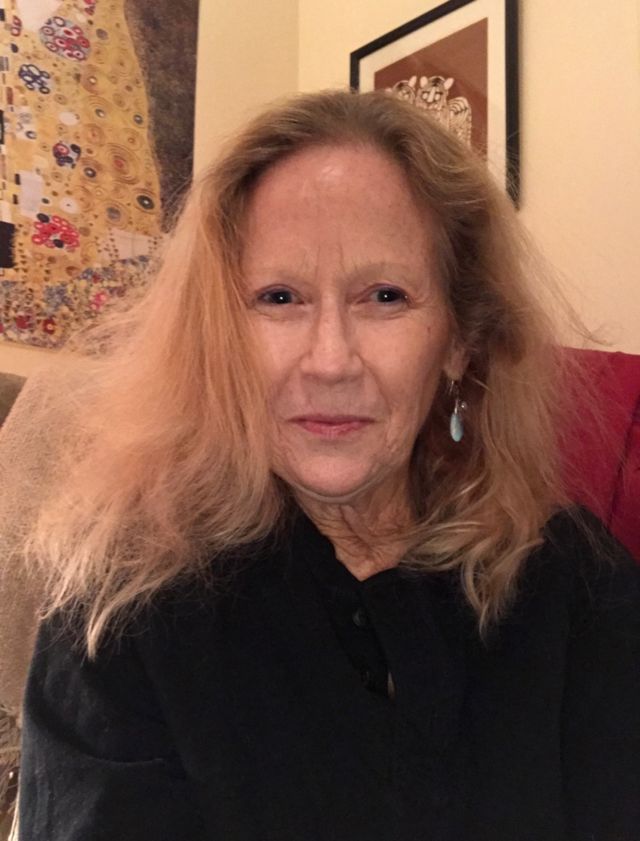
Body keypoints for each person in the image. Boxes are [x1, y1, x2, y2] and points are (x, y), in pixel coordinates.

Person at [13, 89, 640, 841]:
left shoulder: (577, 583)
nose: (331, 360)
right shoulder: (121, 606)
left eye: (385, 296)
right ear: (219, 335)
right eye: (280, 297)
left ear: (459, 340)